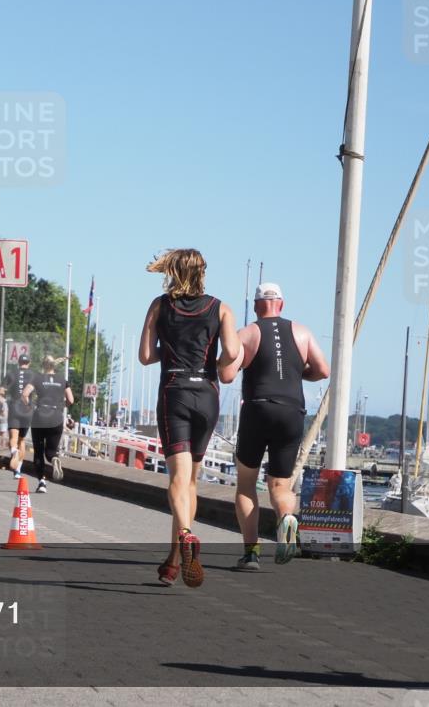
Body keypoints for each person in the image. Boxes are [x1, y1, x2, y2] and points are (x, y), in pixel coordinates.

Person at [140, 248, 241, 588]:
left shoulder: (159, 305)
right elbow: (231, 353)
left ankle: (185, 534)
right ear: (202, 273)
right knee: (191, 482)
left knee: (178, 480)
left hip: (175, 392)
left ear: (173, 271)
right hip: (207, 396)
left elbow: (144, 356)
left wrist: (169, 350)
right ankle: (172, 561)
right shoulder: (221, 308)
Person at [218, 282, 330, 570]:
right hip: (292, 411)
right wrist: (295, 373)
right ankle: (287, 522)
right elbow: (323, 370)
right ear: (281, 304)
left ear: (257, 306)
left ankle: (251, 553)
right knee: (280, 485)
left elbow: (228, 375)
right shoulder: (302, 332)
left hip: (258, 408)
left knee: (245, 484)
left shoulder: (247, 333)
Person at [21, 356, 74, 493]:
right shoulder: (62, 380)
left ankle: (42, 482)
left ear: (43, 365)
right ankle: (54, 458)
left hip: (40, 416)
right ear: (54, 366)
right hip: (56, 416)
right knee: (51, 450)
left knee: (38, 451)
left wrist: (29, 407)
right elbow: (71, 400)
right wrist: (62, 406)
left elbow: (25, 394)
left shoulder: (37, 378)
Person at [3, 354, 36, 479]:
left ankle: (13, 451)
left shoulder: (11, 374)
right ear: (29, 362)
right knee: (21, 440)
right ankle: (18, 470)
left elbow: (1, 390)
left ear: (18, 362)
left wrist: (4, 395)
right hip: (28, 410)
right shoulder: (34, 375)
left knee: (13, 437)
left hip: (14, 408)